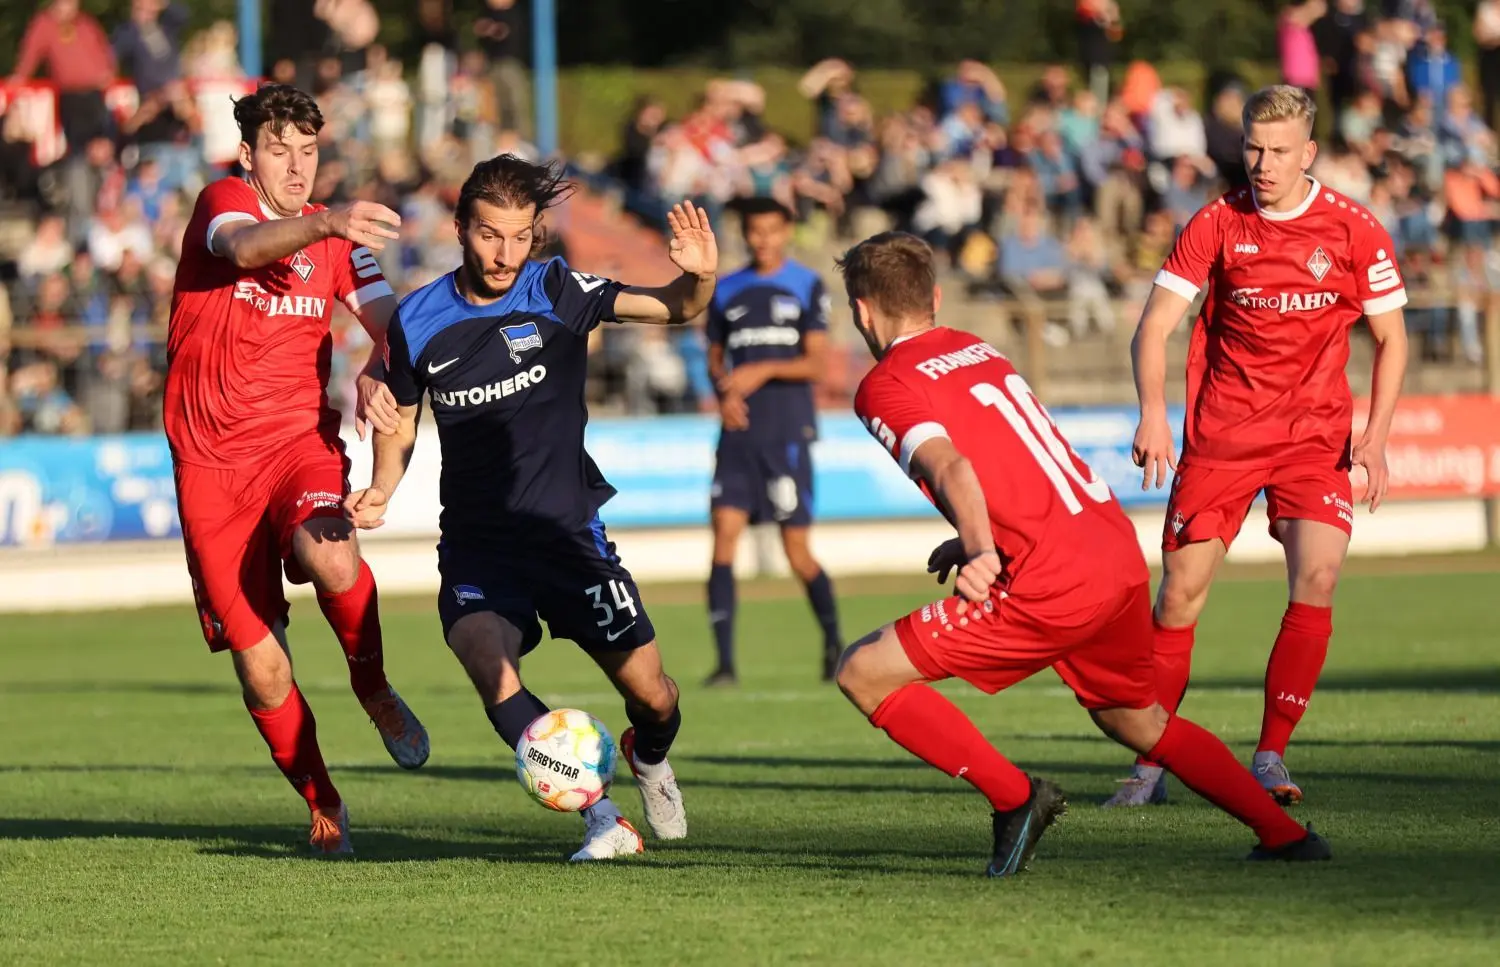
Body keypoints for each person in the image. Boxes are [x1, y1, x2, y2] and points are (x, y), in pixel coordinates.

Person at [832, 231, 1331, 877]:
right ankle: (1284, 834)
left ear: (861, 310)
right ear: (935, 297)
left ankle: (1017, 799)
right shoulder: (976, 349)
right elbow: (1016, 460)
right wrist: (981, 535)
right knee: (1137, 721)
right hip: (1110, 551)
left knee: (863, 672)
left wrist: (980, 549)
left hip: (1049, 579)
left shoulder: (885, 383)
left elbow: (953, 466)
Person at [344, 156, 716, 861]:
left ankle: (648, 756)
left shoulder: (556, 289)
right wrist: (382, 487)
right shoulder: (416, 320)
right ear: (460, 228)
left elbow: (678, 306)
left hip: (567, 534)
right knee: (489, 664)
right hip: (479, 543)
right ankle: (603, 819)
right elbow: (400, 418)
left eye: (520, 237)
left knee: (655, 695)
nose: (506, 254)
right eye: (490, 235)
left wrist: (699, 277)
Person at [1107, 85, 1408, 808]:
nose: (1263, 164)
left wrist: (1375, 436)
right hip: (1224, 439)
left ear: (1309, 153)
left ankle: (1271, 754)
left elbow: (1392, 338)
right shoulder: (1216, 222)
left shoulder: (1354, 228)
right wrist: (1152, 413)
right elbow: (1154, 327)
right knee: (1179, 596)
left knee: (1319, 578)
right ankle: (1150, 765)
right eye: (1252, 147)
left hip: (1312, 439)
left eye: (1278, 151)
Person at [164, 83, 430, 855]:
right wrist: (325, 220)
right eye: (278, 149)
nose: (295, 165)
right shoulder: (223, 203)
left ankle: (372, 685)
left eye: (307, 150)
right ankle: (323, 800)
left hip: (296, 444)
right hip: (211, 467)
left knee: (331, 552)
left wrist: (383, 362)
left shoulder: (338, 241)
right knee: (264, 672)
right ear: (247, 155)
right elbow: (244, 248)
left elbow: (394, 328)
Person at [703, 197, 843, 686]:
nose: (763, 239)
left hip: (786, 431)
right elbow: (715, 357)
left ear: (787, 232)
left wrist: (761, 370)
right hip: (738, 433)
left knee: (796, 549)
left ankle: (833, 644)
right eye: (755, 231)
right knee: (724, 536)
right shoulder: (726, 289)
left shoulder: (806, 284)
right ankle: (725, 664)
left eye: (772, 230)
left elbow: (816, 364)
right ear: (744, 234)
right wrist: (724, 392)